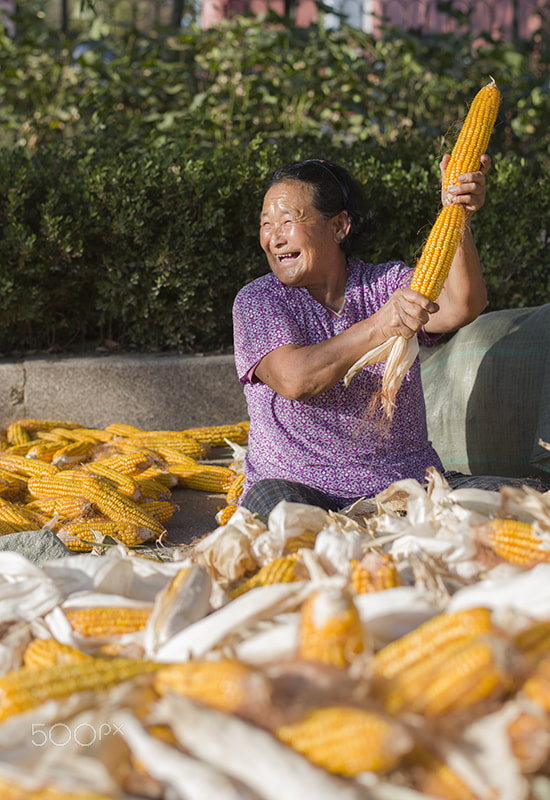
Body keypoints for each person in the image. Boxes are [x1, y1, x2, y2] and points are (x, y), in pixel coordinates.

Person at [232, 155, 544, 518]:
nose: (273, 238)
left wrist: (457, 214)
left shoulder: (387, 284)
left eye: (288, 222)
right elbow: (296, 379)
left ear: (339, 227)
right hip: (300, 488)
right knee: (279, 514)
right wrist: (380, 326)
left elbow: (462, 305)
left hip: (407, 487)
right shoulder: (259, 301)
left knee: (530, 503)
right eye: (266, 224)